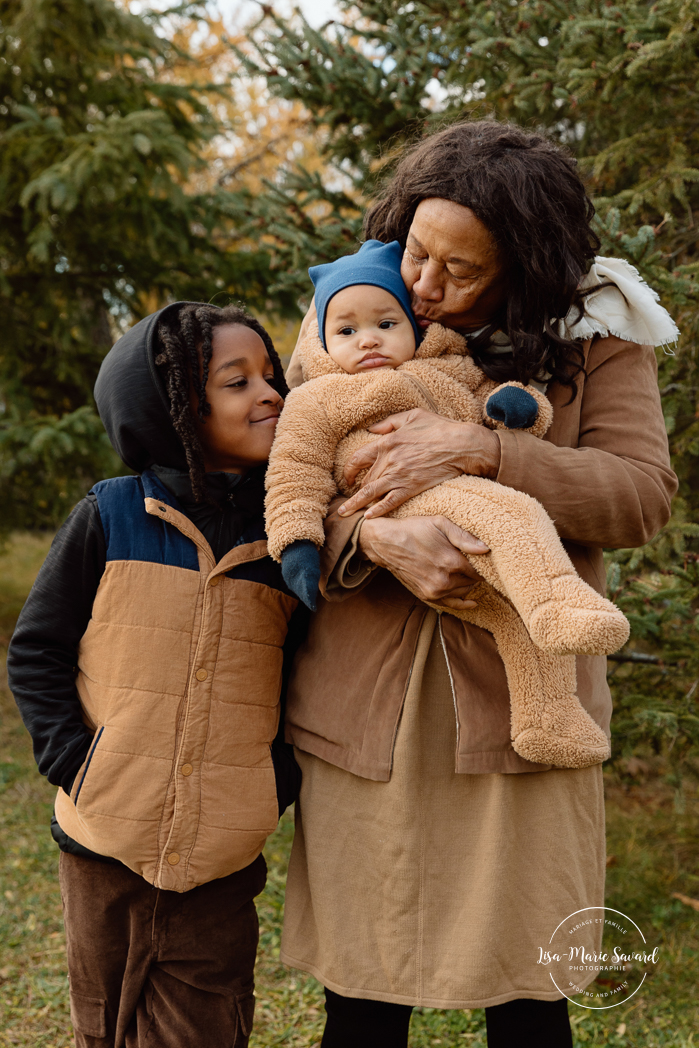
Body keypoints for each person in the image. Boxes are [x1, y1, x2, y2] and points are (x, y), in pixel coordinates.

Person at [279, 122, 678, 1046]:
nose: (423, 285)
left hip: (520, 710)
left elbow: (641, 496)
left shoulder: (597, 333)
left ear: (528, 268)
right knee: (361, 1005)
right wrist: (375, 540)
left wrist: (489, 451)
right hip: (364, 709)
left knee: (531, 1004)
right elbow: (290, 474)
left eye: (459, 271)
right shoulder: (358, 305)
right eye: (418, 251)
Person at [7, 302, 306, 1048]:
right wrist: (76, 763)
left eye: (271, 376)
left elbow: (307, 677)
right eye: (237, 382)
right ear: (168, 407)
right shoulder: (110, 516)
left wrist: (270, 784)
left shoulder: (286, 541)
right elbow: (37, 650)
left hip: (222, 856)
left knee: (207, 1026)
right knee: (103, 1028)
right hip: (104, 839)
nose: (271, 393)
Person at [265, 237, 636, 770]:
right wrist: (299, 541)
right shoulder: (317, 398)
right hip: (414, 507)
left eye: (385, 325)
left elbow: (497, 404)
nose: (367, 341)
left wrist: (515, 412)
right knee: (513, 514)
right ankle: (557, 601)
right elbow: (292, 471)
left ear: (415, 328)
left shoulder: (449, 370)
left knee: (511, 621)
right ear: (322, 341)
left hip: (460, 504)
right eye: (346, 332)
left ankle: (548, 718)